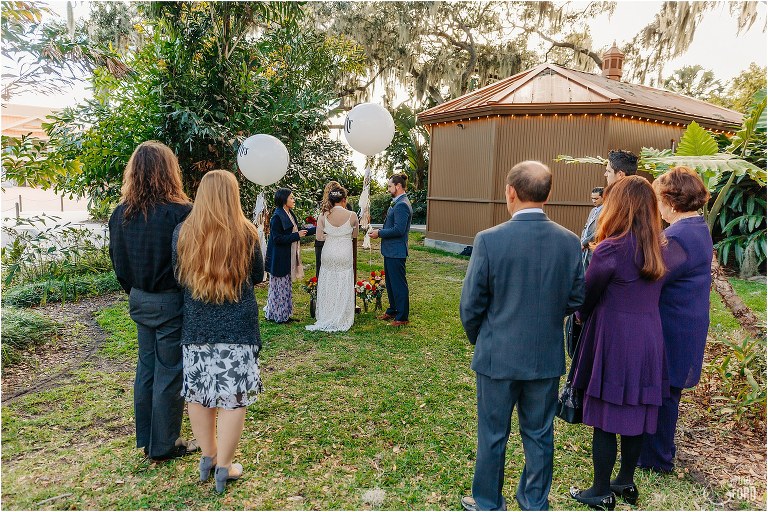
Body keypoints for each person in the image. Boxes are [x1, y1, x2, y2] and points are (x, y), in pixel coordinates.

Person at [459, 161, 585, 511]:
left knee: (493, 434)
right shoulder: (570, 241)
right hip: (544, 356)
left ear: (510, 193)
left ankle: (486, 501)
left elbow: (471, 305)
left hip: (496, 354)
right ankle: (533, 503)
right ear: (549, 194)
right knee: (540, 434)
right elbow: (577, 298)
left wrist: (483, 338)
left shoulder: (489, 240)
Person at [569, 176, 668, 510]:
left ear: (618, 206)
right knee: (636, 411)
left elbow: (588, 294)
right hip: (649, 337)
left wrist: (580, 317)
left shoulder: (612, 247)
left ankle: (599, 490)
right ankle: (625, 480)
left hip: (615, 336)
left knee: (606, 416)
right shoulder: (659, 246)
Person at [173, 170, 264, 493]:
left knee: (199, 395)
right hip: (237, 328)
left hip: (197, 327)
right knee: (232, 399)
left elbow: (178, 276)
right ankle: (225, 466)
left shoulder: (183, 233)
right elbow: (256, 275)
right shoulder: (247, 233)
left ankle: (207, 458)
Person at [108, 140, 197, 461]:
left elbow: (117, 262)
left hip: (139, 299)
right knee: (170, 371)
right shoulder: (181, 213)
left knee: (146, 367)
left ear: (135, 173)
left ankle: (147, 439)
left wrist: (134, 290)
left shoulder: (120, 215)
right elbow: (188, 262)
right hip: (171, 300)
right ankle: (164, 445)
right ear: (168, 172)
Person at [638, 166, 713, 473]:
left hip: (673, 324)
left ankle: (656, 459)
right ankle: (656, 453)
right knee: (666, 392)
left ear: (671, 200)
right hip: (686, 319)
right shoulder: (698, 227)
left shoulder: (679, 236)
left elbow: (654, 275)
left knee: (663, 393)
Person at [306, 185, 359, 332]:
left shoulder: (323, 215)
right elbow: (355, 236)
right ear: (344, 200)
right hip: (344, 252)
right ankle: (341, 315)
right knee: (343, 281)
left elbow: (319, 237)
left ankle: (327, 314)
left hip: (328, 252)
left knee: (328, 281)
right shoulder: (352, 215)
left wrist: (330, 235)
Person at [264, 188, 316, 323]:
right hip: (279, 258)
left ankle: (283, 314)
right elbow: (277, 239)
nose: (294, 200)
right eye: (291, 198)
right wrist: (295, 236)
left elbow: (298, 231)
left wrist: (317, 228)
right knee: (279, 288)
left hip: (287, 256)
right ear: (283, 199)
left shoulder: (289, 213)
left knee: (285, 287)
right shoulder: (277, 216)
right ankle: (279, 316)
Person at [369, 173, 413, 327]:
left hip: (396, 251)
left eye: (389, 186)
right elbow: (391, 226)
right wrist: (378, 229)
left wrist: (379, 233)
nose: (388, 189)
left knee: (398, 284)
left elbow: (399, 230)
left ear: (398, 186)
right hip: (390, 250)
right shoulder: (397, 202)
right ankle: (393, 310)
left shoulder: (402, 204)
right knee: (391, 282)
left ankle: (402, 316)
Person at [315, 180, 342, 278]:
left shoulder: (323, 209)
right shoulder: (345, 208)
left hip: (324, 244)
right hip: (331, 244)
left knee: (323, 273)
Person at [581, 186, 604, 269]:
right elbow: (586, 227)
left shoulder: (605, 211)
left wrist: (584, 243)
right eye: (592, 198)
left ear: (603, 197)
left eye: (596, 198)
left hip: (594, 248)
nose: (594, 201)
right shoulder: (593, 210)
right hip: (585, 249)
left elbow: (600, 231)